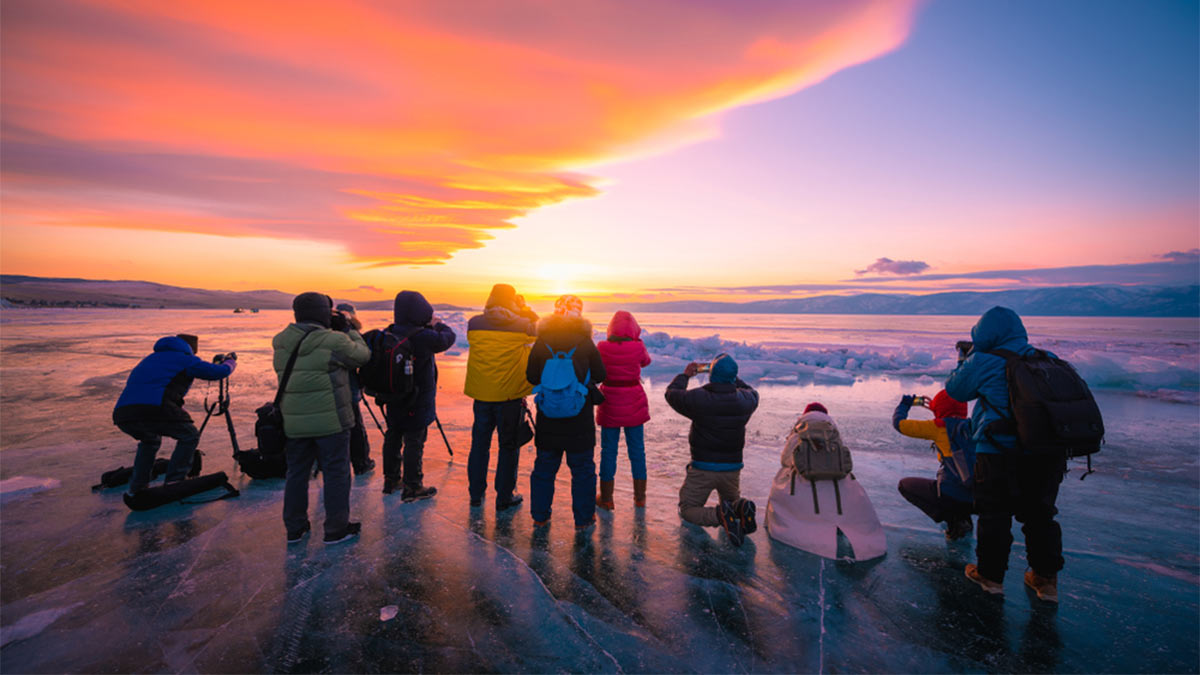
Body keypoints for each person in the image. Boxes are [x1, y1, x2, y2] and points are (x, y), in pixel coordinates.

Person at [946, 306, 1064, 602]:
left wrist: (966, 357)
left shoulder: (984, 360)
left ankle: (990, 576)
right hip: (1046, 452)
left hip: (997, 450)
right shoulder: (1046, 359)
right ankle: (1045, 580)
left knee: (994, 512)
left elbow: (956, 391)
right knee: (1040, 514)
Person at [273, 292, 370, 544]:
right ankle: (336, 528)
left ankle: (295, 528)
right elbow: (362, 355)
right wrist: (348, 329)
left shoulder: (281, 340)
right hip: (331, 422)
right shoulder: (333, 341)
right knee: (336, 473)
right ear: (323, 313)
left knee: (296, 473)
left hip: (294, 421)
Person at [112, 333, 237, 494]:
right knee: (189, 435)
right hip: (153, 408)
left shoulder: (150, 358)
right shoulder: (185, 359)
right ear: (191, 349)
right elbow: (218, 372)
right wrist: (230, 361)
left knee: (150, 441)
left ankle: (138, 486)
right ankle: (175, 481)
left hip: (124, 413)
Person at [765, 402, 886, 560]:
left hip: (804, 487)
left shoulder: (799, 431)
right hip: (836, 486)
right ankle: (839, 526)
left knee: (782, 480)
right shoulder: (833, 432)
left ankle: (805, 527)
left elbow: (786, 460)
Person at [525, 295, 606, 531]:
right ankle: (583, 519)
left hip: (548, 415)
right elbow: (601, 374)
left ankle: (540, 516)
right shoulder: (585, 342)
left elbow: (531, 376)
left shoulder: (542, 341)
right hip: (578, 416)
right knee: (582, 469)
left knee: (544, 468)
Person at [664, 353, 758, 546]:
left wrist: (686, 375)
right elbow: (750, 391)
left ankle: (719, 515)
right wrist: (732, 378)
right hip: (732, 469)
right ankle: (739, 509)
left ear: (712, 375)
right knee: (733, 504)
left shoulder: (699, 398)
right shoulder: (745, 400)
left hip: (703, 468)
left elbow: (672, 394)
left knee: (688, 509)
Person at [464, 284, 537, 510]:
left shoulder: (473, 324)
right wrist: (523, 309)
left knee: (479, 445)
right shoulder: (522, 325)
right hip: (509, 398)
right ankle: (504, 496)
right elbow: (539, 329)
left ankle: (476, 494)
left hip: (482, 396)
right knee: (508, 447)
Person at [380, 290, 457, 500]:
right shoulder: (422, 336)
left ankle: (391, 479)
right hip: (417, 397)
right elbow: (448, 338)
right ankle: (413, 486)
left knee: (393, 435)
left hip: (394, 396)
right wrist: (437, 323)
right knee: (414, 440)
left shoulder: (390, 332)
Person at [893, 390, 974, 540]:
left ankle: (954, 519)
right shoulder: (973, 426)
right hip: (978, 498)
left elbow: (900, 424)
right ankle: (964, 518)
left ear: (939, 407)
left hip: (952, 496)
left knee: (905, 485)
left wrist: (905, 404)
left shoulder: (938, 427)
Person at [595, 310, 652, 510]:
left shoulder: (602, 346)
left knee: (608, 451)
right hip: (633, 400)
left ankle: (607, 497)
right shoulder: (638, 346)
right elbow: (646, 362)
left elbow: (596, 368)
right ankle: (640, 497)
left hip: (610, 400)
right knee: (637, 451)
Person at [336, 302, 376, 475]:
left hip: (329, 389)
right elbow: (363, 356)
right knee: (354, 426)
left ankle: (326, 463)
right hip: (347, 386)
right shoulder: (349, 333)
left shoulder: (324, 332)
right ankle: (361, 462)